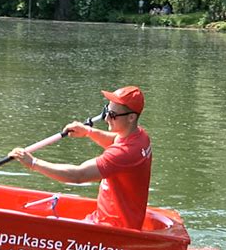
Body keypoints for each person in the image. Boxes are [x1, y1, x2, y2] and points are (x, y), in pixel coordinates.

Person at [9, 86, 152, 230]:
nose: (107, 118)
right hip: (106, 221)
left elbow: (78, 175)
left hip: (112, 230)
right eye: (106, 111)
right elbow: (115, 139)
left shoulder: (125, 153)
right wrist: (87, 131)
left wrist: (33, 163)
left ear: (131, 117)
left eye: (113, 115)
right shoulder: (139, 136)